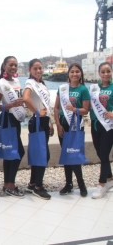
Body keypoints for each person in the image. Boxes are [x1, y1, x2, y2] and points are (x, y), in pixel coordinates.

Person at [54, 63, 89, 197]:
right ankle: (68, 184)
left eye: (77, 72)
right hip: (64, 123)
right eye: (72, 72)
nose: (74, 74)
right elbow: (56, 107)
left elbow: (86, 110)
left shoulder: (83, 90)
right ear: (68, 74)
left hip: (76, 124)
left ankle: (81, 184)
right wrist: (58, 124)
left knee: (74, 153)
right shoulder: (62, 88)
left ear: (81, 74)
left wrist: (75, 110)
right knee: (66, 154)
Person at [0, 56, 25, 198]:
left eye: (15, 65)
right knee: (18, 152)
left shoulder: (17, 81)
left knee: (10, 153)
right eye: (11, 65)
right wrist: (11, 105)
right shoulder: (0, 84)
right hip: (7, 118)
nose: (13, 67)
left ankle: (7, 184)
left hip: (16, 119)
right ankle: (11, 185)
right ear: (4, 66)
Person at [23, 58, 54, 200]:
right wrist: (36, 112)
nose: (38, 71)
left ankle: (33, 183)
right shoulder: (30, 83)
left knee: (39, 153)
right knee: (43, 154)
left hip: (43, 121)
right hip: (37, 121)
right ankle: (38, 187)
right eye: (35, 68)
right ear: (30, 70)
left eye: (40, 68)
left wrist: (50, 123)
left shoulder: (41, 84)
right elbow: (26, 98)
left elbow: (45, 105)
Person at [90, 62, 113, 199]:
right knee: (100, 154)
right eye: (103, 72)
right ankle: (110, 178)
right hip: (95, 125)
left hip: (109, 127)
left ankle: (102, 184)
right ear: (99, 73)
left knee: (104, 155)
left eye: (108, 71)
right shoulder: (93, 88)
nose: (105, 74)